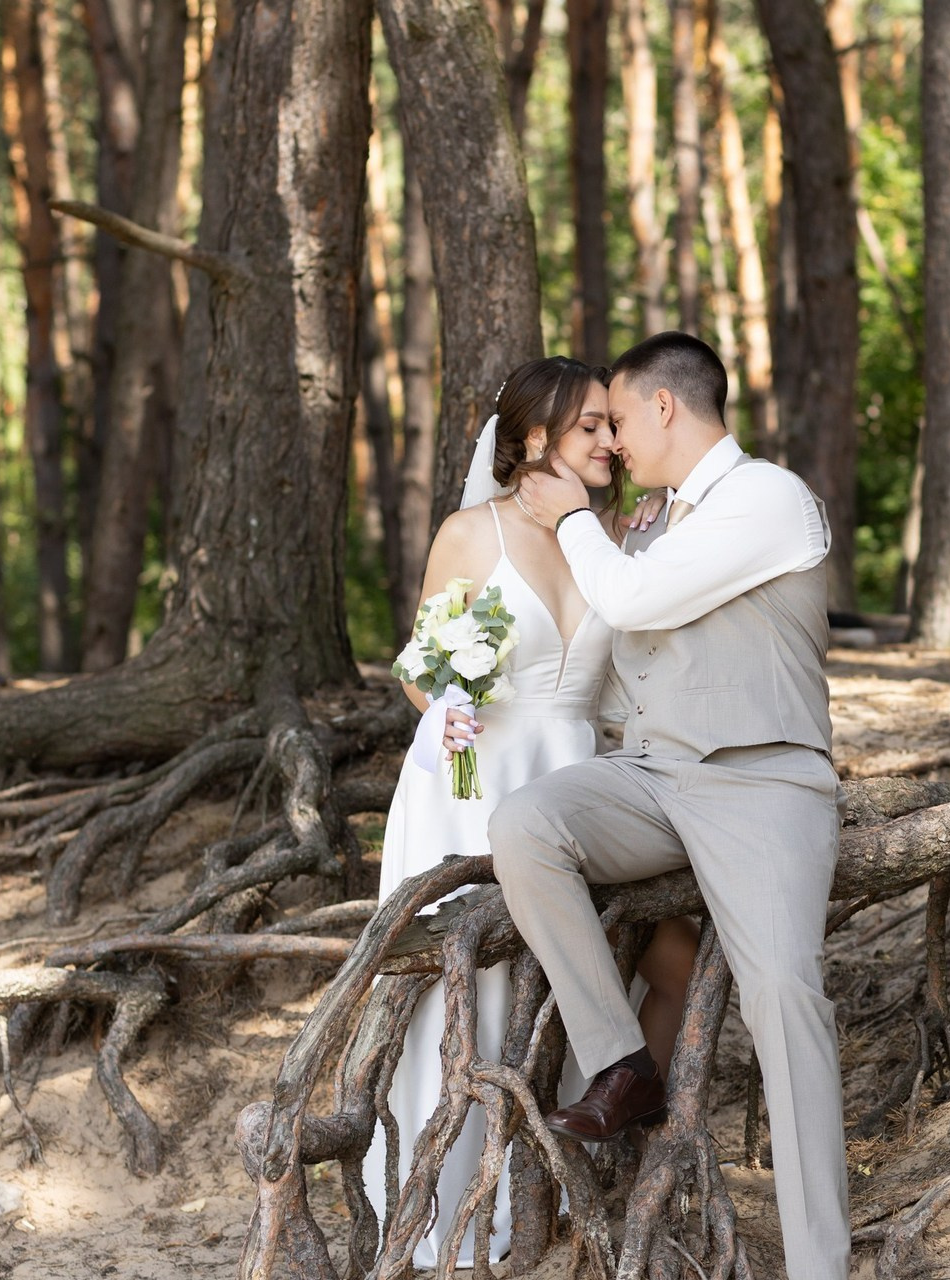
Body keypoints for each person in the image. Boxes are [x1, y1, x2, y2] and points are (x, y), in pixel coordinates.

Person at [490, 332, 850, 1280]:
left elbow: (638, 603)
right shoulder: (652, 518)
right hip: (652, 777)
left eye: (618, 416)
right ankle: (623, 1064)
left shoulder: (767, 497)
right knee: (525, 825)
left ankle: (821, 1264)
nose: (611, 443)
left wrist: (571, 519)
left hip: (761, 781)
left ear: (664, 407)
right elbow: (623, 671)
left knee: (784, 994)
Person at [364, 354, 698, 1270]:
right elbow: (419, 662)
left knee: (618, 965)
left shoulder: (617, 539)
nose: (612, 437)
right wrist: (444, 701)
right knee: (470, 993)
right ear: (538, 437)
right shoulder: (472, 533)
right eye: (592, 423)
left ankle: (578, 1161)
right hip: (471, 781)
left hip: (577, 775)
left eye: (614, 423)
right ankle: (448, 1210)